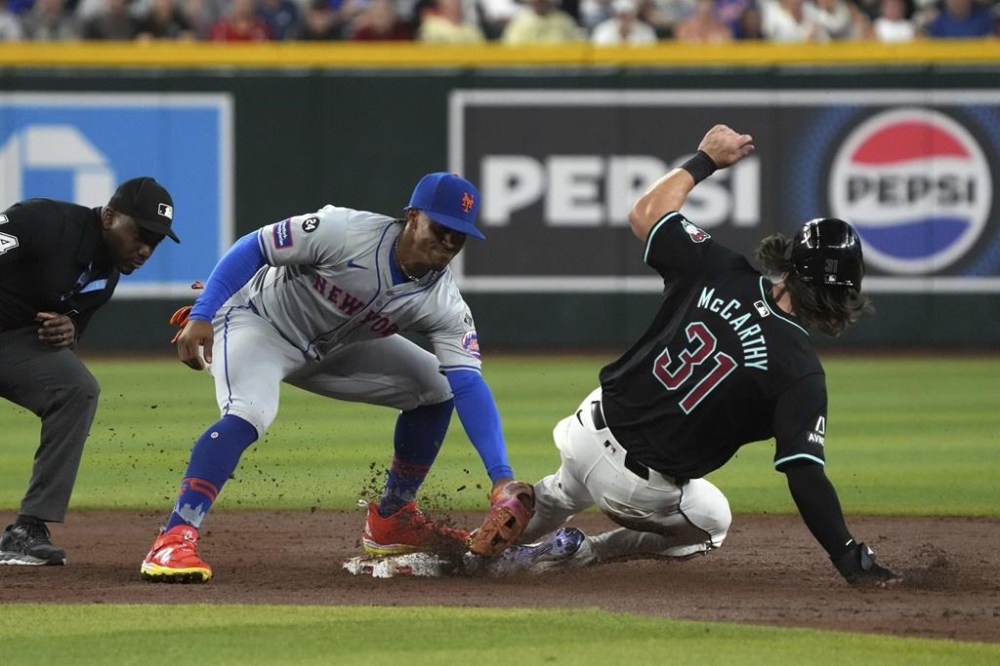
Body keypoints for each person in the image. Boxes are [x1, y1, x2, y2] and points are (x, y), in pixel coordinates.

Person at [507, 124, 899, 588]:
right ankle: (582, 551)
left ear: (790, 263)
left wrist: (705, 159)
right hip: (634, 489)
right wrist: (849, 557)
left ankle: (471, 550)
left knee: (565, 486)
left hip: (585, 430)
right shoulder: (799, 371)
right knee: (713, 521)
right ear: (841, 298)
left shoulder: (719, 267)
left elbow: (644, 213)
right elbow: (804, 475)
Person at [140, 172, 528, 583]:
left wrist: (501, 478)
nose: (449, 243)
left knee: (438, 386)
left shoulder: (443, 302)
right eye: (442, 229)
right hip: (257, 323)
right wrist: (203, 313)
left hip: (332, 348)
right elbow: (254, 246)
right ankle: (174, 539)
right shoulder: (345, 231)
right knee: (249, 412)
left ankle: (393, 519)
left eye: (460, 236)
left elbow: (468, 384)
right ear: (413, 217)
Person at [0, 177, 179, 565]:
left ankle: (27, 531)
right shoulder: (43, 221)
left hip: (11, 342)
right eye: (141, 234)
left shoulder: (106, 275)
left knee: (76, 388)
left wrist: (68, 330)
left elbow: (72, 325)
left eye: (156, 241)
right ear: (109, 216)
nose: (146, 249)